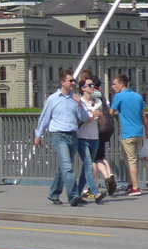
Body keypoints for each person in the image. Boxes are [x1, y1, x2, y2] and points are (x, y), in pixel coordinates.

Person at [33, 68, 90, 207]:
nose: (73, 83)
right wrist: (38, 134)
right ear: (62, 82)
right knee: (67, 167)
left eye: (73, 81)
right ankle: (73, 196)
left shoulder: (75, 99)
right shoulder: (53, 99)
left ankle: (53, 193)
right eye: (70, 81)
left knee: (63, 168)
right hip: (58, 135)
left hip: (72, 135)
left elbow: (84, 117)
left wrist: (80, 104)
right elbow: (45, 117)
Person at [110, 73, 148, 196]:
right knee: (128, 158)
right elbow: (143, 115)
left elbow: (111, 112)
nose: (112, 86)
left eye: (114, 84)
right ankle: (130, 184)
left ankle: (136, 187)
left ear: (121, 84)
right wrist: (147, 131)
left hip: (127, 133)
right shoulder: (138, 96)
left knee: (131, 160)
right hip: (139, 133)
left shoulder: (119, 96)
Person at [76, 77, 106, 204]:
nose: (93, 87)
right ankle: (95, 193)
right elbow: (76, 120)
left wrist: (100, 116)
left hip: (94, 137)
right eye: (90, 85)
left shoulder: (98, 102)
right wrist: (88, 117)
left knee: (86, 168)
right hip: (82, 137)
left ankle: (76, 194)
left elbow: (102, 121)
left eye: (93, 85)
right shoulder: (79, 102)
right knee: (88, 165)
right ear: (83, 88)